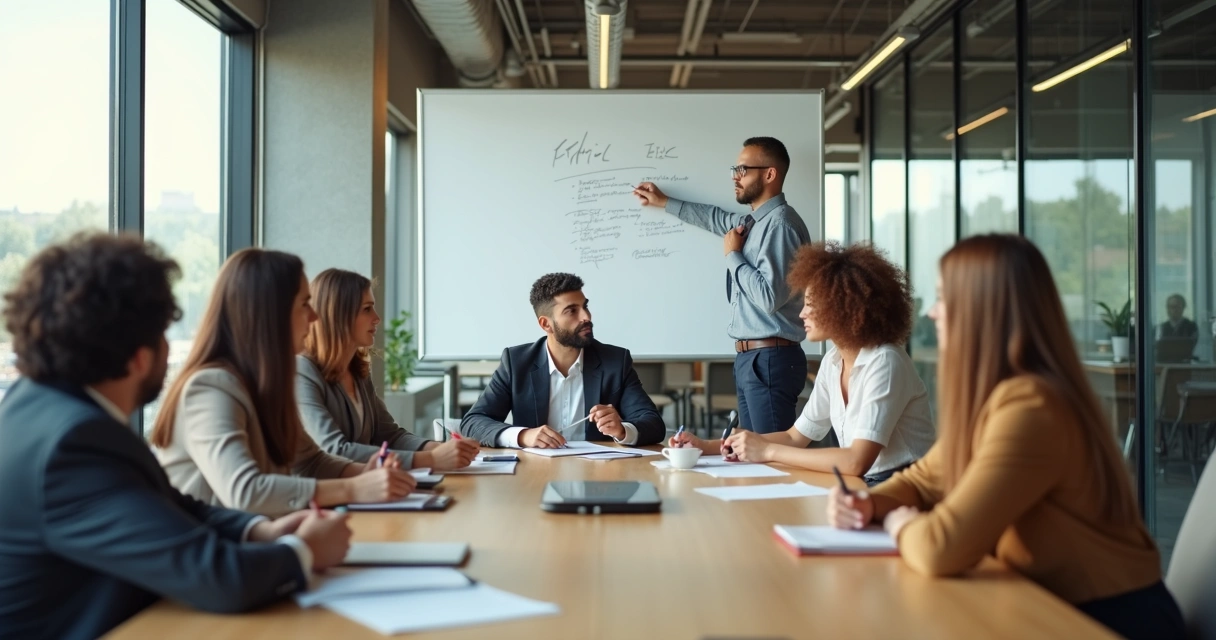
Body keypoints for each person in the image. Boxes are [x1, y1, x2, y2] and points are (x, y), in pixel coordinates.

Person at [825, 234, 1185, 640]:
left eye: (944, 298)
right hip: (1047, 603)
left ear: (983, 310)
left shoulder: (1032, 407)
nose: (933, 314)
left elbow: (940, 547)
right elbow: (924, 479)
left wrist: (900, 523)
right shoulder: (998, 396)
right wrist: (867, 503)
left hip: (1110, 621)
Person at [0, 233, 351, 639]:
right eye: (165, 333)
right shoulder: (73, 444)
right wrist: (303, 552)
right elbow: (218, 578)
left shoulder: (38, 411)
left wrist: (259, 531)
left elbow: (170, 506)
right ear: (140, 357)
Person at [150, 249, 416, 517]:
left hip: (259, 543)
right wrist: (353, 488)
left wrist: (366, 473)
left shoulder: (266, 385)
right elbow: (246, 492)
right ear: (270, 314)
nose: (314, 317)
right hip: (215, 553)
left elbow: (311, 462)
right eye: (304, 304)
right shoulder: (210, 388)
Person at [670, 242, 935, 485]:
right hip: (866, 485)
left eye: (810, 304)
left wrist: (768, 451)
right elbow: (795, 437)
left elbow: (856, 461)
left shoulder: (885, 362)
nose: (801, 313)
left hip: (905, 489)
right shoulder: (833, 362)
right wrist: (706, 446)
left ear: (844, 307)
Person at [634, 136, 810, 434]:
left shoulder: (780, 226)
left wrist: (733, 255)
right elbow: (715, 218)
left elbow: (769, 297)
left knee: (768, 456)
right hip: (753, 358)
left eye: (743, 170)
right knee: (751, 454)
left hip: (770, 358)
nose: (735, 176)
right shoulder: (755, 224)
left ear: (769, 174)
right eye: (735, 169)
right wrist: (666, 202)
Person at [297, 268, 479, 469]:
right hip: (333, 493)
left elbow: (390, 436)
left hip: (369, 490)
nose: (377, 318)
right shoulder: (303, 371)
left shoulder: (357, 372)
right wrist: (431, 459)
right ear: (339, 315)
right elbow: (334, 449)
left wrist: (437, 448)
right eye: (367, 309)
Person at [460, 273, 665, 448]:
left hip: (599, 476)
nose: (586, 316)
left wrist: (622, 430)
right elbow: (473, 422)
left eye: (585, 306)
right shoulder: (516, 362)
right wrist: (524, 436)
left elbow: (654, 424)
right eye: (571, 310)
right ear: (546, 324)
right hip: (533, 474)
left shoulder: (615, 361)